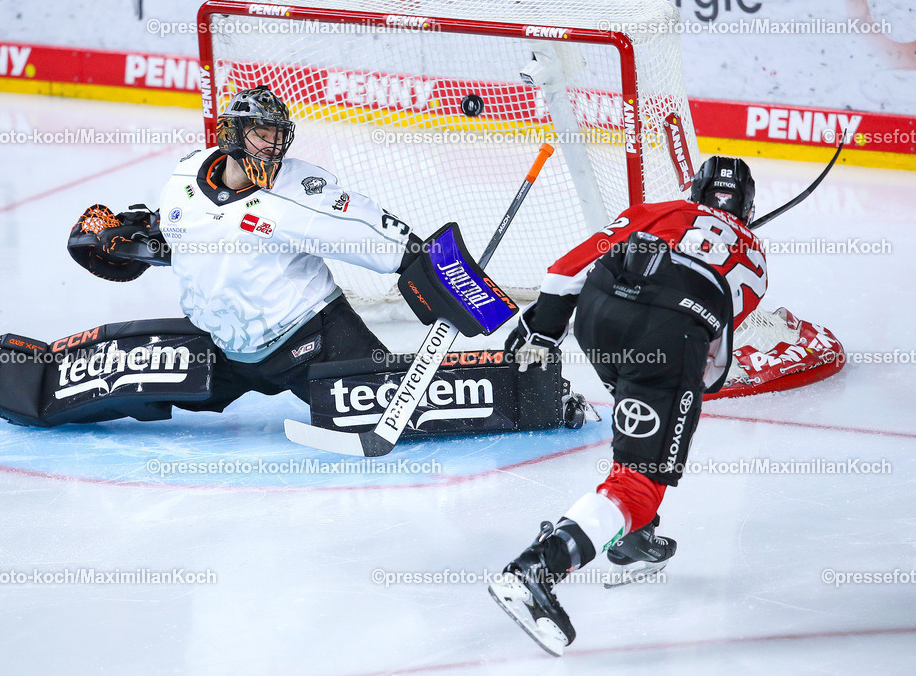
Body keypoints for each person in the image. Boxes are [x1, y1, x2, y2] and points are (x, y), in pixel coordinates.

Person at [488, 157, 767, 656]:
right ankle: (538, 568)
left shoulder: (658, 208)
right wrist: (679, 396)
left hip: (599, 313)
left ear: (694, 190)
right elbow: (714, 365)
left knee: (636, 408)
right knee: (642, 479)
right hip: (668, 333)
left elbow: (567, 268)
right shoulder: (757, 261)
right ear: (747, 206)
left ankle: (630, 537)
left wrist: (543, 329)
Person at [66, 84, 421, 411]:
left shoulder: (299, 190)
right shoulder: (186, 176)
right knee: (115, 397)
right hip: (221, 351)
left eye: (278, 135)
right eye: (261, 135)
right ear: (231, 135)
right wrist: (141, 239)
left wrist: (431, 265)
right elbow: (182, 233)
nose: (272, 145)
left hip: (311, 340)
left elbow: (372, 232)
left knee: (391, 407)